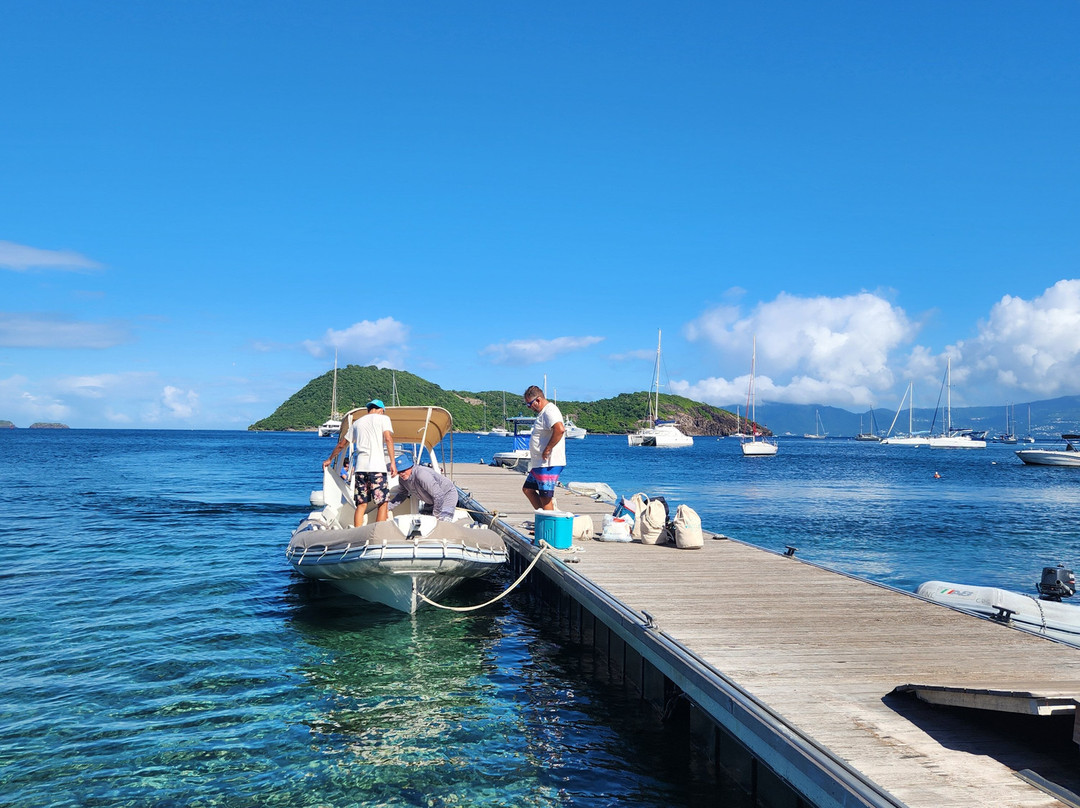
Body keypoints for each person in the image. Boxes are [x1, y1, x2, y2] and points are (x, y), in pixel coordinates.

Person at [325, 399, 397, 525]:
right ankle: (378, 531)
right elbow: (388, 439)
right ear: (380, 410)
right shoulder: (384, 419)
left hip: (360, 470)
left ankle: (358, 533)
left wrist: (330, 459)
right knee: (382, 502)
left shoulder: (357, 423)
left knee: (361, 504)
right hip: (377, 468)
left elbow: (342, 445)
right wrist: (393, 463)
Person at [521, 385, 565, 511]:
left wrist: (548, 448)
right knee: (528, 489)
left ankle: (548, 527)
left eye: (529, 404)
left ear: (538, 400)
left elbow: (560, 429)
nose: (529, 408)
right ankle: (543, 519)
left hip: (548, 463)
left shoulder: (550, 411)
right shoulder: (543, 413)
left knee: (545, 497)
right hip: (539, 464)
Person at [387, 455, 458, 521]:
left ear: (410, 467)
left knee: (441, 523)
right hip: (431, 500)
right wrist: (388, 507)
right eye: (399, 472)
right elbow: (402, 495)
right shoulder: (402, 480)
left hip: (446, 495)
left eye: (403, 470)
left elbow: (439, 495)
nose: (401, 474)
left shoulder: (421, 474)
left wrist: (436, 515)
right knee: (423, 522)